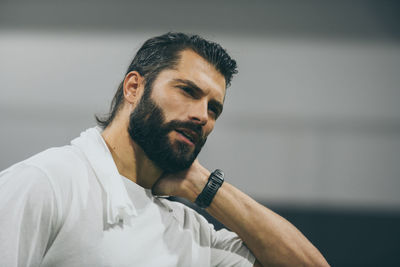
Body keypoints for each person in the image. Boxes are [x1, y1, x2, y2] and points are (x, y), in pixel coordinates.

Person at [0, 32, 329, 267]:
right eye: (187, 91)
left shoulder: (189, 230)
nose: (202, 116)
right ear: (134, 87)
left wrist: (205, 186)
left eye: (214, 108)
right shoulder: (45, 182)